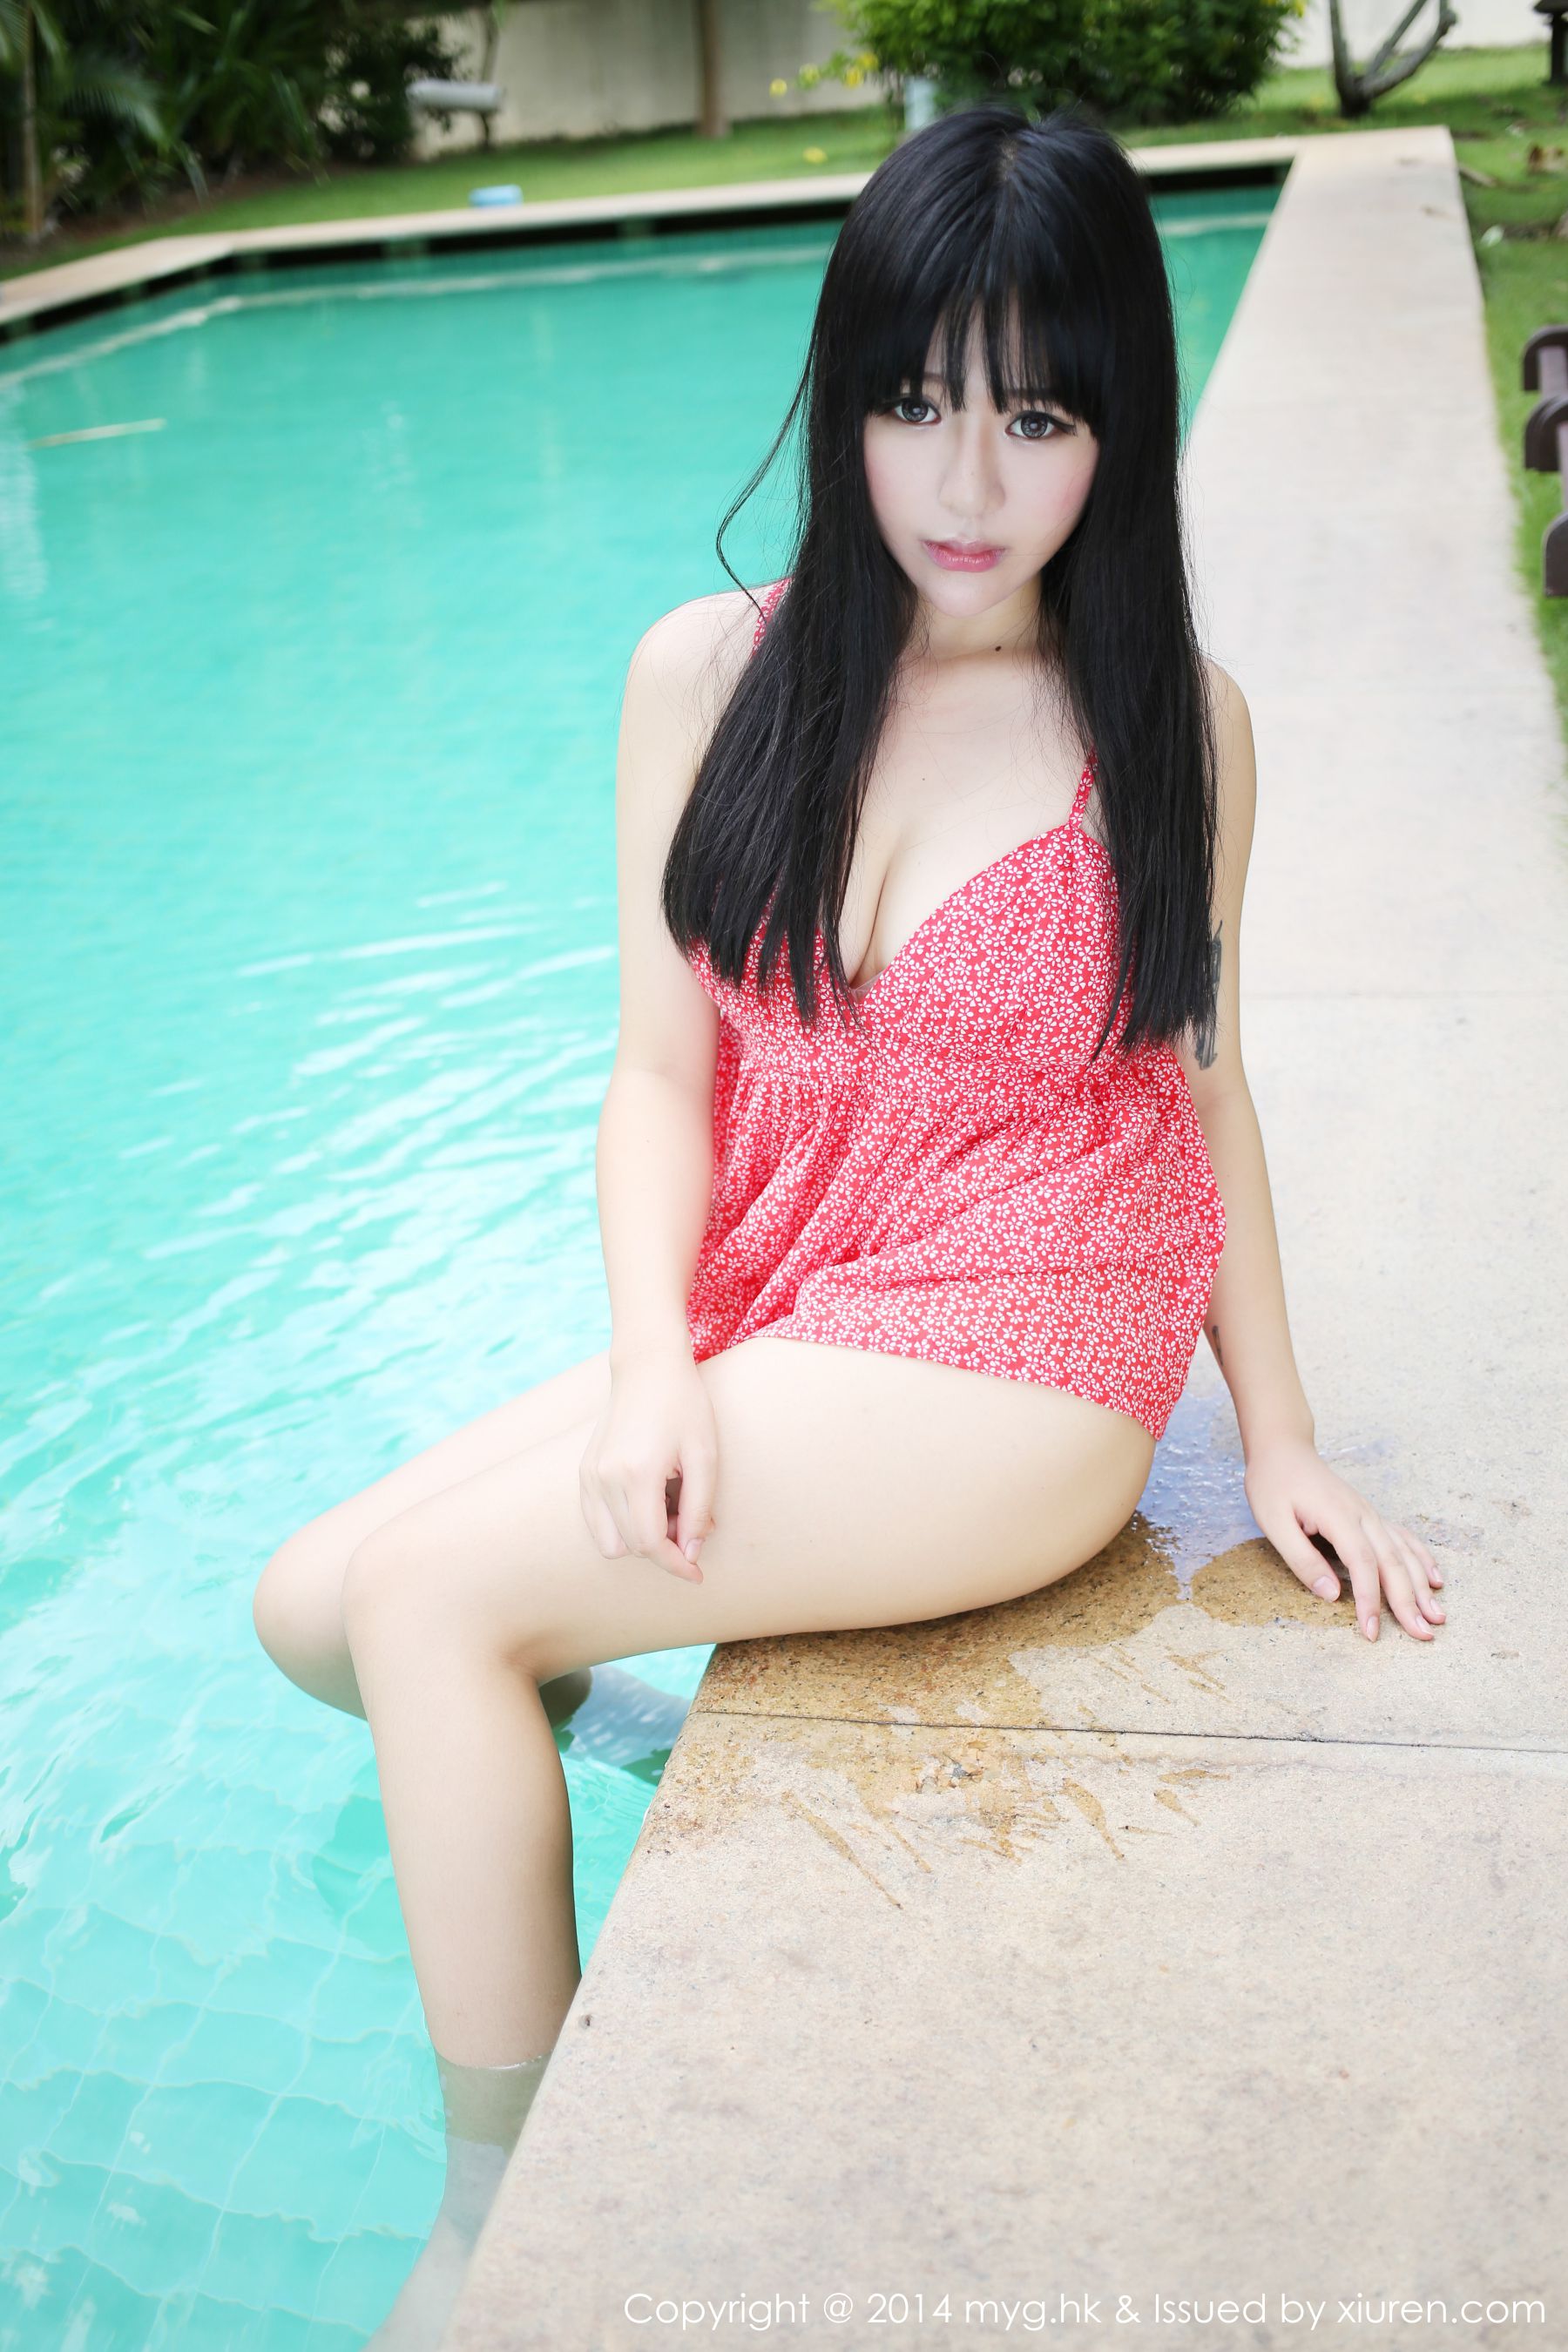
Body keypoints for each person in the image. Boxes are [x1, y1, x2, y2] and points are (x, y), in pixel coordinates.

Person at [251, 98, 1444, 2348]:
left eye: (1035, 417)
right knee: (306, 1609)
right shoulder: (707, 677)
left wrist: (1279, 1437)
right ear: (843, 402)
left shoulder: (1174, 723)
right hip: (798, 1297)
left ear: (1118, 429)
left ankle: (499, 2222)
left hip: (1033, 1339)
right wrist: (651, 1362)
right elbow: (656, 1077)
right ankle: (601, 1699)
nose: (963, 482)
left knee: (423, 1606)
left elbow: (1204, 1083)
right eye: (913, 402)